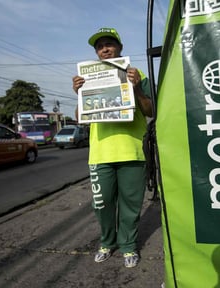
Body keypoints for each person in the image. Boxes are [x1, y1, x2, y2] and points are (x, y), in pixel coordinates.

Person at [72, 27, 152, 268]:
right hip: (100, 153)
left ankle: (128, 245)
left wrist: (136, 87)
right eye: (99, 46)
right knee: (102, 204)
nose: (104, 49)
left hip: (133, 151)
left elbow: (150, 111)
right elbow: (81, 119)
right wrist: (80, 93)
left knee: (131, 204)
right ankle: (107, 242)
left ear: (120, 47)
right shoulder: (87, 79)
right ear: (96, 53)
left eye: (109, 44)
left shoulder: (137, 74)